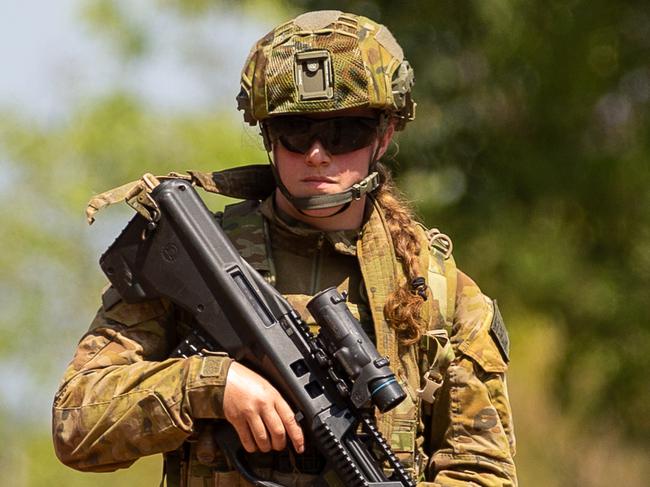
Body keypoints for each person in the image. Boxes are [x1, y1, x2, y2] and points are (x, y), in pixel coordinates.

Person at [53, 10, 517, 486]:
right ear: (269, 136)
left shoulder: (439, 291)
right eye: (295, 131)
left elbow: (482, 470)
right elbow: (76, 423)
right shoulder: (202, 258)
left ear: (385, 134)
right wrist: (212, 385)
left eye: (344, 131)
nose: (318, 153)